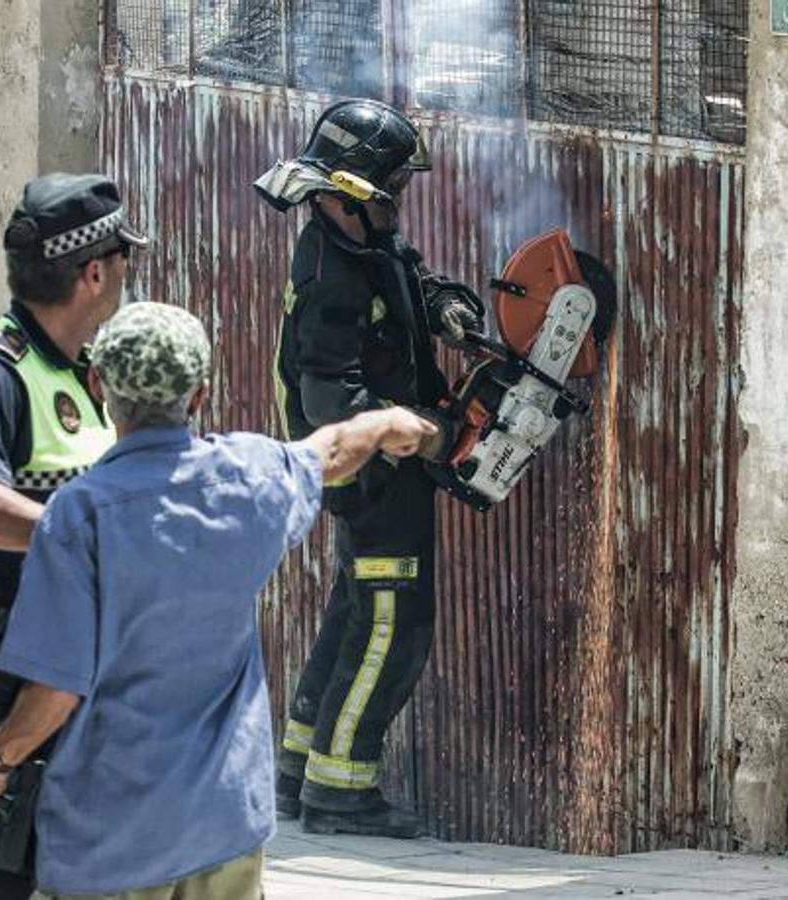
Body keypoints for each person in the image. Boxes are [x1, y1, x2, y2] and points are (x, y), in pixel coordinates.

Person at [0, 302, 438, 899]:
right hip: (224, 830)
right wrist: (391, 422)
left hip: (111, 842)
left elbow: (56, 691)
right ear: (199, 396)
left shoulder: (79, 516)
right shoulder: (250, 478)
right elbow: (333, 449)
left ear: (98, 388)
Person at [254, 98, 485, 837]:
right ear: (355, 189)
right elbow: (330, 397)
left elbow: (410, 283)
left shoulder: (360, 242)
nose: (400, 203)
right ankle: (342, 788)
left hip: (376, 470)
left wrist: (446, 306)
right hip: (371, 475)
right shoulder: (331, 273)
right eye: (393, 188)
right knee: (393, 621)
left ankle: (297, 770)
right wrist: (419, 434)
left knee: (355, 609)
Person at [0, 173, 148, 898]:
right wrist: (79, 531)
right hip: (7, 693)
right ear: (93, 272)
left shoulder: (90, 370)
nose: (124, 277)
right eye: (122, 262)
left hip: (83, 694)